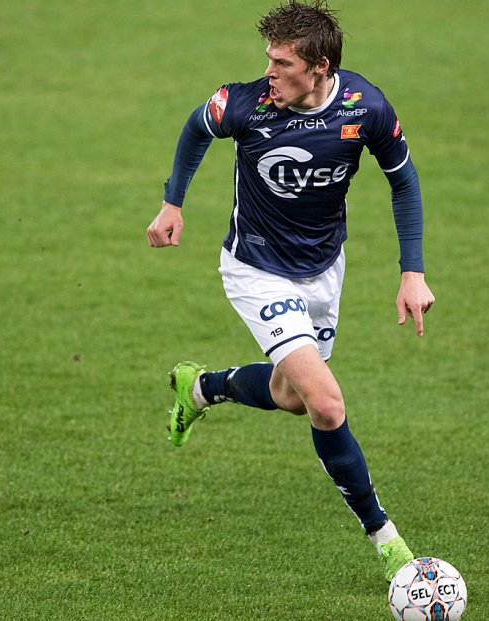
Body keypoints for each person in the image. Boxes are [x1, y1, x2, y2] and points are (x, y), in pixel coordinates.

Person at [145, 0, 435, 581]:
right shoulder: (244, 103)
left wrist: (412, 271)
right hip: (255, 268)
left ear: (319, 66)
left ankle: (201, 387)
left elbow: (403, 180)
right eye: (268, 60)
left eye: (281, 63)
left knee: (292, 394)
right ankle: (388, 541)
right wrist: (172, 203)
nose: (269, 72)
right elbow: (195, 129)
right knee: (326, 403)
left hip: (324, 268)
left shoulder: (365, 106)